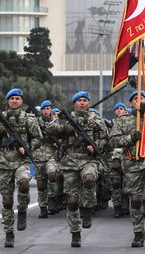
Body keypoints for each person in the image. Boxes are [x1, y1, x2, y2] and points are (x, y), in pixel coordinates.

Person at [0, 88, 42, 248]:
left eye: (17, 98)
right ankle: (9, 233)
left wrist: (27, 146)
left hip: (21, 160)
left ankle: (22, 210)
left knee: (24, 183)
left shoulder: (29, 118)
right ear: (8, 101)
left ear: (22, 101)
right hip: (2, 162)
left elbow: (38, 138)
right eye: (12, 98)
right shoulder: (0, 117)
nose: (14, 101)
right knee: (7, 201)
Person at [47, 91, 108, 248]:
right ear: (74, 104)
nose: (82, 103)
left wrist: (95, 147)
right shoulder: (67, 118)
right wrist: (62, 122)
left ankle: (88, 208)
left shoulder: (96, 119)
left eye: (85, 100)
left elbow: (105, 139)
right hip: (69, 161)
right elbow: (50, 129)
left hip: (89, 160)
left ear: (88, 103)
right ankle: (75, 232)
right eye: (79, 101)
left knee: (89, 179)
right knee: (72, 201)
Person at [109, 90, 145, 248]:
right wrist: (130, 138)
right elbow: (113, 141)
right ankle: (138, 233)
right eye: (136, 99)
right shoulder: (123, 121)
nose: (138, 101)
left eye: (142, 98)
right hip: (132, 163)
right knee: (135, 201)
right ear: (130, 103)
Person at [33, 100, 59, 218]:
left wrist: (57, 144)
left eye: (48, 108)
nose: (46, 111)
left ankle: (52, 197)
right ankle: (43, 207)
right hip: (38, 156)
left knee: (52, 174)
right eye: (44, 109)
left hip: (51, 155)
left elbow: (62, 136)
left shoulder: (56, 122)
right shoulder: (36, 122)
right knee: (41, 184)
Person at [110, 103, 129, 218]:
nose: (119, 111)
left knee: (128, 183)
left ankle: (126, 206)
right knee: (116, 183)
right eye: (117, 109)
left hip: (127, 156)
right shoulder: (110, 124)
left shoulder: (130, 123)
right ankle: (117, 207)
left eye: (122, 108)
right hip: (113, 157)